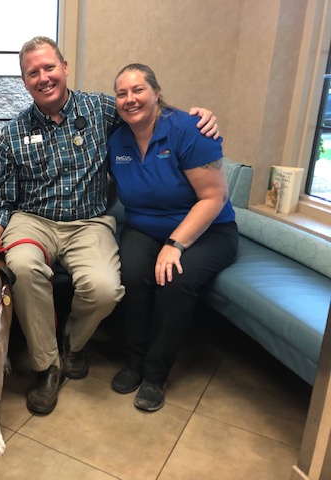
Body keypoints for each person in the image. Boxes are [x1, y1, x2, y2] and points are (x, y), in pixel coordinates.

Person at [0, 36, 219, 416]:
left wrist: (198, 117)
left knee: (105, 289)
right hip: (33, 221)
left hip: (89, 221)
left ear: (65, 67)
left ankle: (72, 342)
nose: (43, 77)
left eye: (49, 67)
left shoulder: (103, 109)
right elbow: (4, 198)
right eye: (33, 73)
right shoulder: (14, 133)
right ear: (24, 81)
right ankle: (47, 366)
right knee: (21, 267)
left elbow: (150, 113)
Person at [107, 63, 238, 412]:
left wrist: (175, 245)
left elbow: (214, 197)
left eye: (138, 90)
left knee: (174, 280)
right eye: (122, 93)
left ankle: (154, 373)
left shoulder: (190, 129)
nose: (130, 99)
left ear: (156, 92)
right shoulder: (117, 137)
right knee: (131, 273)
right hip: (145, 227)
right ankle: (133, 361)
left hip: (208, 230)